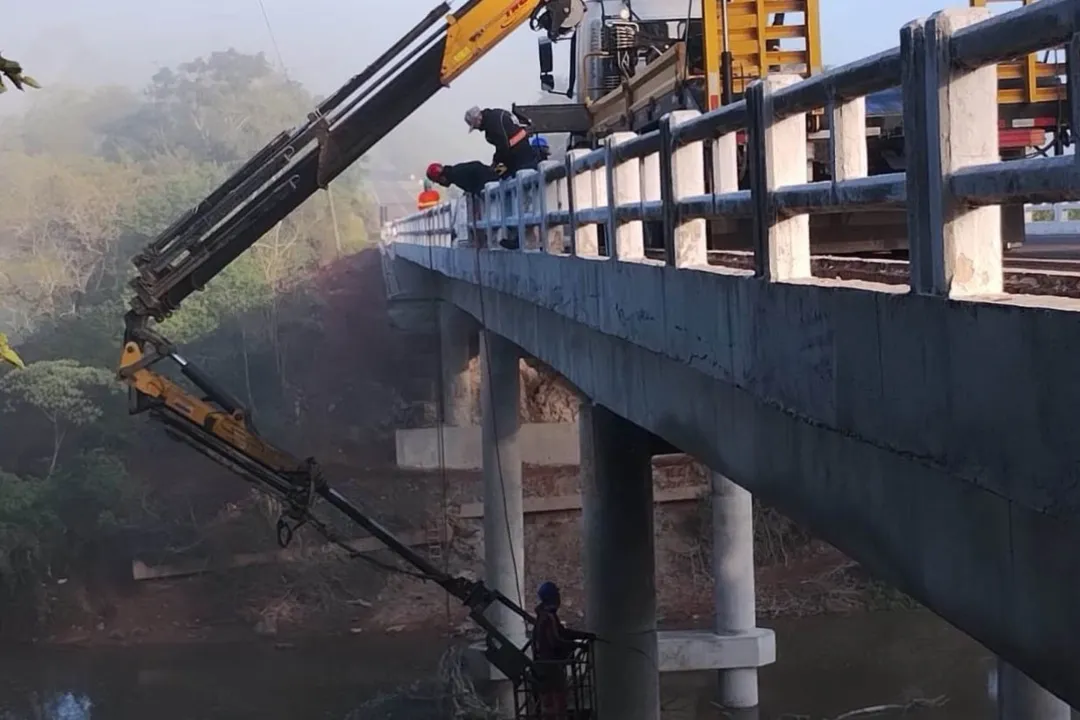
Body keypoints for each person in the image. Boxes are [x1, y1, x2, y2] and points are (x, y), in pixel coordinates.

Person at [531, 581, 593, 719]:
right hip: (550, 666)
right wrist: (576, 645)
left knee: (552, 702)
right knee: (557, 702)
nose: (559, 598)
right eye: (557, 595)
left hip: (545, 665)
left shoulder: (546, 616)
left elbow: (563, 632)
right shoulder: (547, 617)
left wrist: (584, 636)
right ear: (552, 597)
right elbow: (555, 641)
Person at [464, 105, 539, 177]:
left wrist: (495, 162)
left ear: (478, 119)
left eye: (475, 126)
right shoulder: (496, 114)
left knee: (504, 175)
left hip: (519, 155)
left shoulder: (492, 124)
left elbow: (503, 146)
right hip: (523, 149)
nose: (477, 129)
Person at [426, 161, 500, 197]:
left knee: (507, 167)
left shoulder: (456, 175)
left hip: (495, 177)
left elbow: (478, 168)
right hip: (494, 174)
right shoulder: (455, 174)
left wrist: (477, 190)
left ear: (441, 178)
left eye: (438, 181)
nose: (440, 184)